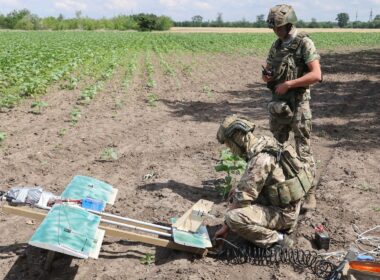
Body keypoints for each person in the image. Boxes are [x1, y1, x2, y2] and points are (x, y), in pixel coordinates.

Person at [214, 115, 314, 248]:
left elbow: (241, 199)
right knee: (235, 192)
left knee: (233, 217)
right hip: (289, 206)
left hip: (283, 215)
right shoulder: (266, 142)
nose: (230, 149)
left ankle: (278, 240)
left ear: (239, 136)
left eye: (229, 143)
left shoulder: (260, 160)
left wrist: (225, 226)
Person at [262, 4, 322, 210]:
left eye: (278, 27)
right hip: (279, 105)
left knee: (302, 150)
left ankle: (310, 194)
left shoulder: (304, 43)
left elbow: (316, 75)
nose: (275, 31)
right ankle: (278, 188)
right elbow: (268, 71)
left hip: (298, 105)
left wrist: (289, 84)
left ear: (289, 24)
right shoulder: (276, 46)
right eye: (273, 27)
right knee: (276, 148)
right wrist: (267, 76)